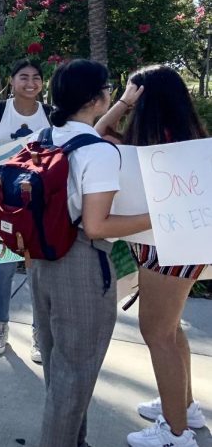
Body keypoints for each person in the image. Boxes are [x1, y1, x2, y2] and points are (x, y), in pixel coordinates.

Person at [30, 59, 152, 447]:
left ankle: (73, 440)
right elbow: (97, 226)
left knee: (58, 366)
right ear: (98, 96)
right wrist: (156, 216)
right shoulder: (97, 152)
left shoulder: (48, 136)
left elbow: (91, 136)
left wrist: (122, 105)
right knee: (75, 375)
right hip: (81, 265)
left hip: (42, 260)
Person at [95, 66, 208, 447]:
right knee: (171, 329)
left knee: (156, 333)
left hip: (165, 251)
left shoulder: (145, 144)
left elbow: (95, 137)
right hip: (181, 247)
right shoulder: (184, 139)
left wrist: (124, 102)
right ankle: (184, 407)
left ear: (142, 97)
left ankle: (176, 433)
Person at [0, 59, 50, 363]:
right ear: (12, 80)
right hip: (4, 203)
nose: (30, 83)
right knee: (4, 267)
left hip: (39, 205)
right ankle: (1, 327)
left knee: (37, 271)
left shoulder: (51, 115)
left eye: (36, 78)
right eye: (24, 77)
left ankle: (39, 334)